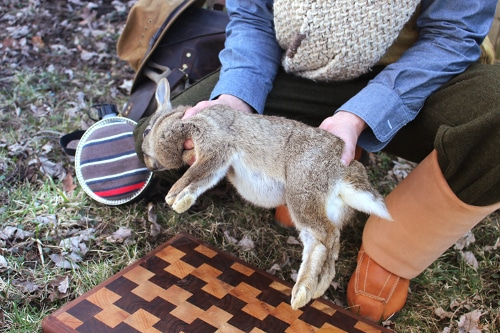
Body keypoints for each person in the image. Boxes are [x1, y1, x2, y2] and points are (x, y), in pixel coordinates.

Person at [134, 0, 500, 322]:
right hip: (300, 67)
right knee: (150, 142)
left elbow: (452, 35)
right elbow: (253, 18)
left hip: (418, 76)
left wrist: (359, 114)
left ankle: (392, 247)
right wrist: (234, 103)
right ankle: (308, 171)